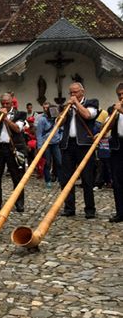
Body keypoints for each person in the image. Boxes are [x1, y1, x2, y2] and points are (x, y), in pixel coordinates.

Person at [58, 82, 99, 219]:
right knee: (66, 179)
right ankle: (69, 208)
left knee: (87, 178)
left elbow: (88, 115)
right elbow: (59, 122)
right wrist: (65, 110)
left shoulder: (92, 102)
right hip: (68, 145)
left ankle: (90, 209)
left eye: (75, 92)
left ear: (82, 92)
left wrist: (76, 104)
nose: (72, 95)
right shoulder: (67, 107)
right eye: (70, 93)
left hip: (85, 145)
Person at [0, 93, 27, 212]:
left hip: (14, 149)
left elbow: (17, 129)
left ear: (12, 103)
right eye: (3, 103)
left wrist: (6, 119)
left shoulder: (20, 114)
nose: (5, 105)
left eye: (7, 103)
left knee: (17, 177)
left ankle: (19, 203)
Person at [36, 101, 62, 188]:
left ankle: (60, 179)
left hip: (55, 143)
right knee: (47, 163)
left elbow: (62, 129)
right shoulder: (42, 120)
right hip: (45, 144)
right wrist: (39, 146)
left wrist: (60, 138)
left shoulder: (57, 119)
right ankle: (48, 180)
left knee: (59, 161)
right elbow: (39, 133)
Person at [108, 83, 123, 223]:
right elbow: (106, 126)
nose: (121, 97)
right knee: (117, 182)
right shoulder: (114, 109)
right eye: (119, 95)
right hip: (118, 147)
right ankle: (120, 212)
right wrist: (115, 113)